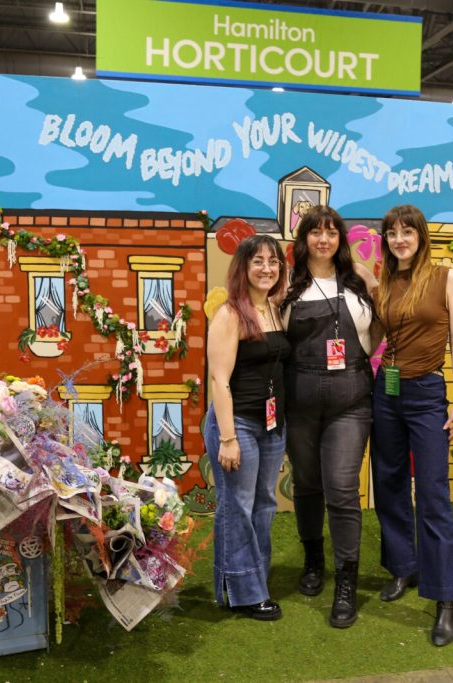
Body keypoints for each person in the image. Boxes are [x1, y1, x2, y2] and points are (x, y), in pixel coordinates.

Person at [371, 204, 453, 647]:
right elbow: (376, 336)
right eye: (392, 233)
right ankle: (402, 567)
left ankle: (445, 597)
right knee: (388, 483)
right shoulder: (385, 281)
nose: (399, 240)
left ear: (421, 236)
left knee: (432, 493)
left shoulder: (445, 277)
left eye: (407, 232)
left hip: (428, 392)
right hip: (386, 391)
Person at [281, 205, 377, 628]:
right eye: (315, 232)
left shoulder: (360, 281)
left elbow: (375, 334)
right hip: (299, 402)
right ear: (304, 239)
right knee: (306, 485)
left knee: (341, 489)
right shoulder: (287, 284)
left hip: (350, 402)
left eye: (331, 232)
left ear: (341, 239)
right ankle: (313, 561)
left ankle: (346, 582)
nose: (324, 239)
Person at [203, 235, 290, 621]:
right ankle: (243, 592)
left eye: (273, 261)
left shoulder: (273, 308)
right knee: (237, 505)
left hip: (271, 425)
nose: (267, 268)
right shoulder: (230, 314)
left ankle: (255, 582)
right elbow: (219, 380)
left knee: (264, 504)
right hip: (236, 424)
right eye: (258, 261)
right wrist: (228, 438)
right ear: (243, 267)